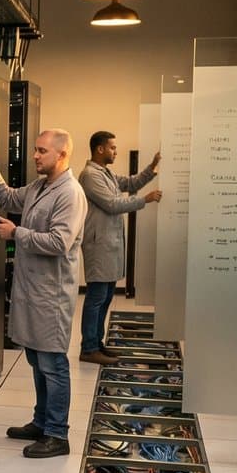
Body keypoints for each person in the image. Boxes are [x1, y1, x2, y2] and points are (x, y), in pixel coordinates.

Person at [0, 129, 86, 458]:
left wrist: (17, 233)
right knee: (37, 361)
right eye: (35, 150)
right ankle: (42, 423)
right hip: (32, 291)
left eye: (42, 151)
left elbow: (59, 243)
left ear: (61, 155)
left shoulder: (70, 193)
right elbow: (11, 198)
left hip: (51, 296)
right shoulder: (40, 186)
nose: (36, 156)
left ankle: (58, 434)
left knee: (53, 364)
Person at [78, 131, 162, 366]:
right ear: (100, 149)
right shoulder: (89, 175)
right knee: (96, 298)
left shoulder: (106, 173)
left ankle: (97, 343)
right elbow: (112, 204)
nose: (115, 151)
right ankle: (88, 348)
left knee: (104, 298)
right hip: (99, 246)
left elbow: (130, 183)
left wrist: (152, 166)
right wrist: (144, 200)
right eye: (113, 148)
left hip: (109, 246)